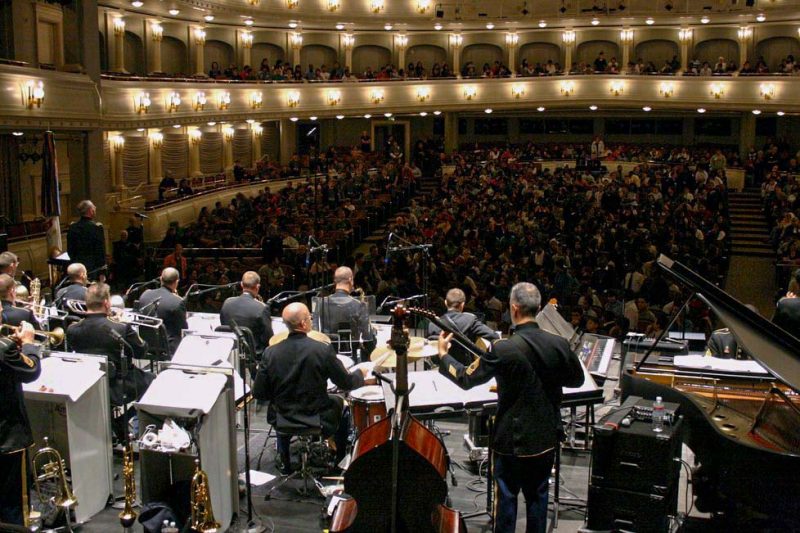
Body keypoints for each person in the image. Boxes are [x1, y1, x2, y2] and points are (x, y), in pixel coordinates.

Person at [436, 282, 585, 533]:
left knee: (506, 501)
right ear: (538, 308)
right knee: (538, 498)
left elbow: (465, 378)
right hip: (545, 436)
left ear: (514, 309)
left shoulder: (502, 349)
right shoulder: (559, 344)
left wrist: (443, 355)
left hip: (510, 442)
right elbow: (576, 380)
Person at [253, 302, 368, 472]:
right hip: (317, 417)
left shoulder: (270, 353)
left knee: (279, 405)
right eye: (309, 317)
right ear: (303, 323)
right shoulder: (322, 350)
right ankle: (340, 459)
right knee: (341, 405)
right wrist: (360, 373)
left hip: (282, 418)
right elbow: (346, 383)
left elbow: (259, 392)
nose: (311, 321)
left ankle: (284, 459)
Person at [67, 283, 152, 441]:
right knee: (154, 380)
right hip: (118, 385)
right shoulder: (119, 328)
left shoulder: (73, 329)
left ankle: (115, 422)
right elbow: (141, 351)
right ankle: (123, 420)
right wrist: (126, 324)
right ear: (107, 303)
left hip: (88, 385)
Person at [0, 319, 41, 526]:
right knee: (13, 503)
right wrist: (28, 343)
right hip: (7, 437)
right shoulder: (4, 349)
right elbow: (31, 370)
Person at [314, 266, 375, 362]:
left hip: (326, 358)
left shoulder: (321, 303)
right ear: (350, 280)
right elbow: (368, 338)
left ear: (335, 281)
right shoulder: (359, 305)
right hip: (351, 358)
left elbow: (315, 333)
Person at [427, 288, 499, 365]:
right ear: (463, 304)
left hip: (439, 368)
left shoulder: (432, 324)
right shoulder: (470, 320)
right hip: (462, 370)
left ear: (445, 303)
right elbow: (494, 336)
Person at [220, 271, 274, 356]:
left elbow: (223, 326)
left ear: (241, 284)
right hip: (254, 356)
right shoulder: (262, 308)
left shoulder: (227, 302)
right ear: (258, 286)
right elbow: (269, 339)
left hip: (230, 352)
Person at [137, 267, 188, 355]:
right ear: (177, 282)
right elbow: (183, 328)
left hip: (146, 344)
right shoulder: (177, 301)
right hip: (168, 348)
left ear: (161, 279)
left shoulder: (145, 295)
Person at [67, 200, 106, 276]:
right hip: (92, 269)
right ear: (91, 211)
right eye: (94, 208)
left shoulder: (73, 227)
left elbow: (70, 250)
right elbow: (100, 251)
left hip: (76, 268)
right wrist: (102, 271)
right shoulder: (96, 228)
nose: (95, 209)